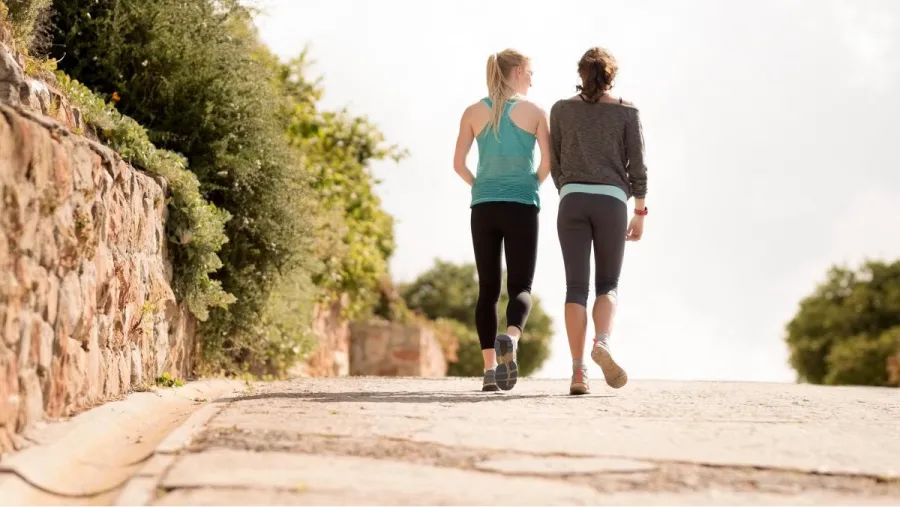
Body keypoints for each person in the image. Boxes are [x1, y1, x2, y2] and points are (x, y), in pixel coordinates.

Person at [549, 47, 648, 395]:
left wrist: (568, 189)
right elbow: (637, 165)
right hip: (611, 202)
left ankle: (579, 373)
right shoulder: (627, 112)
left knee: (575, 287)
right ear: (611, 77)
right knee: (608, 284)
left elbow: (555, 161)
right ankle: (602, 341)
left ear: (581, 74)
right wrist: (639, 211)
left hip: (572, 200)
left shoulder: (561, 110)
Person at [453, 49, 551, 392]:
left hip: (483, 207)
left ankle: (490, 372)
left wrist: (480, 186)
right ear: (520, 70)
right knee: (520, 286)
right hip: (522, 205)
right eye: (531, 72)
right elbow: (547, 165)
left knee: (488, 289)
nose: (532, 79)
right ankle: (510, 337)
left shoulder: (472, 112)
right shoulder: (535, 111)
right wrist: (529, 186)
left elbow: (458, 164)